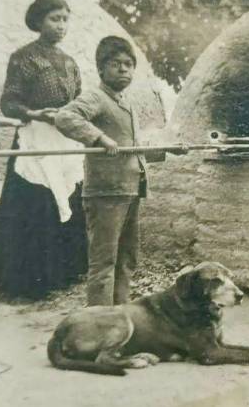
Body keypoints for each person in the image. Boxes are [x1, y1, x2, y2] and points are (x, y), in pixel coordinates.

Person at [55, 36, 186, 306]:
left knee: (127, 258)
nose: (124, 69)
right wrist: (99, 138)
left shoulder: (125, 102)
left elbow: (131, 149)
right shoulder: (96, 97)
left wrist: (168, 149)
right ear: (101, 69)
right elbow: (64, 117)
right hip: (106, 192)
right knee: (104, 262)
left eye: (129, 64)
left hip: (129, 189)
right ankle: (99, 321)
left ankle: (121, 313)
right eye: (116, 64)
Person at [0, 0, 88, 300]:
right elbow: (9, 102)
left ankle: (63, 273)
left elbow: (79, 100)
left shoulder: (70, 63)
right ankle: (28, 280)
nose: (61, 26)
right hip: (35, 138)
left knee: (67, 197)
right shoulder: (23, 58)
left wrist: (72, 116)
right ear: (38, 21)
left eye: (65, 20)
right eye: (54, 19)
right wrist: (36, 114)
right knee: (36, 204)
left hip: (64, 138)